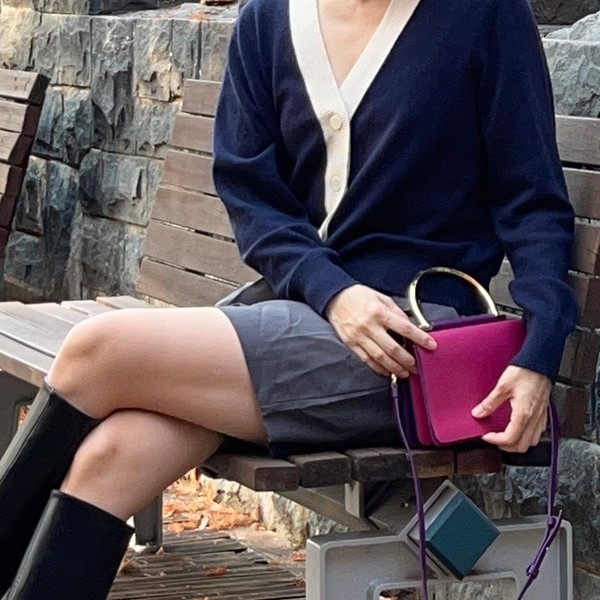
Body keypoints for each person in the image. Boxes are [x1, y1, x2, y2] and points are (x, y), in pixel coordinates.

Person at [0, 0, 578, 597]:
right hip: (303, 309)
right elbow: (253, 198)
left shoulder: (483, 15)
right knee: (113, 455)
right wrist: (335, 293)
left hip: (411, 344)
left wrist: (538, 354)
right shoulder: (268, 19)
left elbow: (532, 203)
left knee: (98, 350)